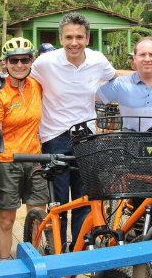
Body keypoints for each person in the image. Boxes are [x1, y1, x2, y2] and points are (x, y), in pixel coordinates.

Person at [30, 12, 116, 248]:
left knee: (83, 201)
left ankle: (78, 250)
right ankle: (59, 253)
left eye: (79, 37)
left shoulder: (98, 60)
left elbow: (115, 78)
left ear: (88, 39)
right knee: (58, 203)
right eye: (69, 37)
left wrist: (151, 74)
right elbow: (22, 78)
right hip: (54, 137)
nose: (74, 42)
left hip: (87, 138)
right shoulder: (45, 63)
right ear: (61, 38)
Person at [0, 37, 48, 278]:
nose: (20, 64)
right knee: (6, 219)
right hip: (6, 160)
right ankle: (4, 265)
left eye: (25, 59)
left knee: (37, 217)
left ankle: (33, 262)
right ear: (5, 62)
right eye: (14, 60)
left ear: (31, 61)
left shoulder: (37, 85)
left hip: (34, 158)